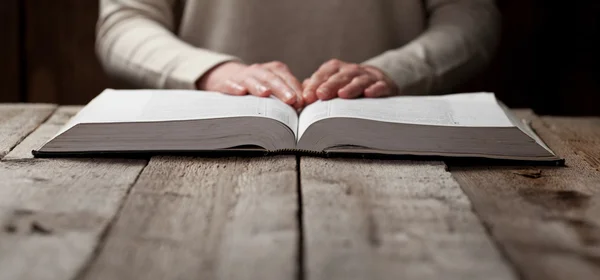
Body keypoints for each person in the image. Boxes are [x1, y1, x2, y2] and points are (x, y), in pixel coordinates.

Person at [97, 0, 500, 110]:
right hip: (206, 142)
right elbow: (124, 24)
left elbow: (470, 13)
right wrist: (213, 71)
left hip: (400, 143)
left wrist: (398, 70)